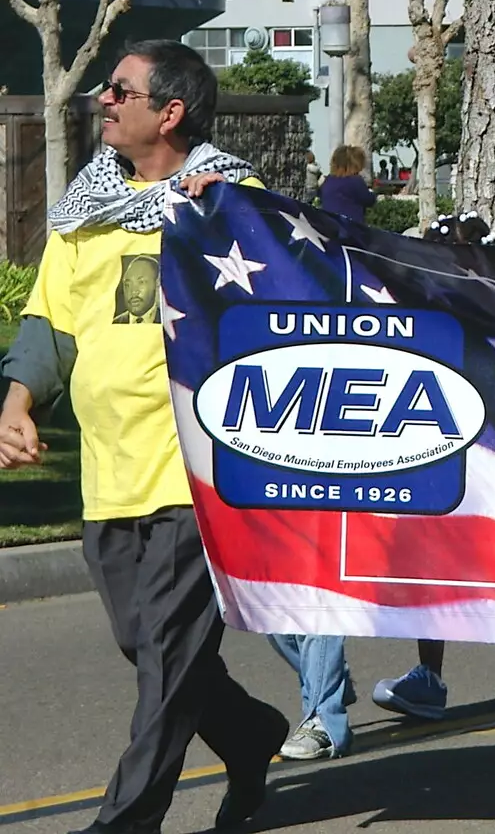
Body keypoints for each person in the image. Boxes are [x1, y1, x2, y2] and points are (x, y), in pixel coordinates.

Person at [0, 41, 286, 834]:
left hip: (196, 467)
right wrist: (17, 401)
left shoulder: (230, 195)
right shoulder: (84, 207)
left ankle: (127, 819)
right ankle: (249, 732)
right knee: (146, 643)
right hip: (109, 466)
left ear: (170, 111)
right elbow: (51, 318)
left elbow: (290, 292)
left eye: (120, 89)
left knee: (166, 649)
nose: (103, 99)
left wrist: (230, 215)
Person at [370, 209, 495, 721]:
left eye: (451, 253)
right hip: (439, 446)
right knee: (429, 555)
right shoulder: (417, 306)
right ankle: (428, 676)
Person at [320, 144, 376, 222]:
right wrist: (374, 193)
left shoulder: (328, 181)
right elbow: (369, 200)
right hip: (351, 228)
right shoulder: (355, 181)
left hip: (330, 227)